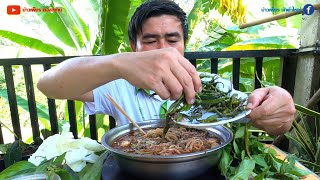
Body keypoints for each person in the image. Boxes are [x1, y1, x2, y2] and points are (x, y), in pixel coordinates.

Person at [37, 0, 295, 135]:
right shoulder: (117, 84)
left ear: (184, 44)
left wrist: (278, 110)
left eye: (172, 40)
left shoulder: (215, 87)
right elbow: (48, 84)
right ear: (133, 46)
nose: (163, 50)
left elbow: (266, 119)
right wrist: (118, 62)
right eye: (150, 41)